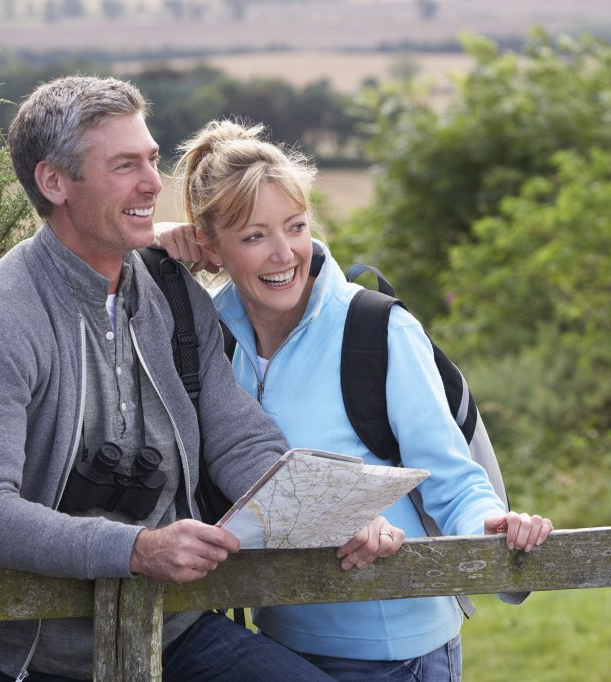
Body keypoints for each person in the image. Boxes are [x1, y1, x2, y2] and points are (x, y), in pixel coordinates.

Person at [0, 76, 403, 682]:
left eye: (153, 160)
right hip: (49, 653)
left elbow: (241, 441)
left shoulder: (173, 292)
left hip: (181, 627)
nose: (152, 184)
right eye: (124, 165)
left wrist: (334, 513)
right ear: (54, 182)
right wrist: (136, 550)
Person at [156, 119, 553, 681]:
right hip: (277, 645)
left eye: (294, 227)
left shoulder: (377, 331)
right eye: (253, 236)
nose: (282, 253)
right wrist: (154, 243)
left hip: (396, 651)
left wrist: (492, 521)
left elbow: (451, 478)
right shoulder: (207, 335)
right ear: (209, 244)